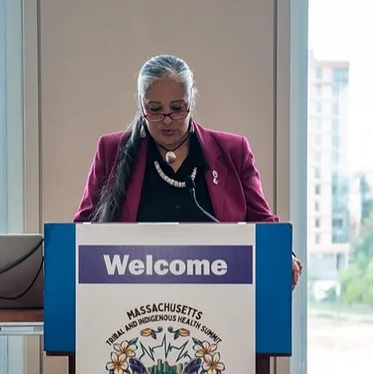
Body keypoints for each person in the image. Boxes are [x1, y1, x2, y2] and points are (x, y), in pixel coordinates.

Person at [73, 54, 302, 289]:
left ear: (191, 99)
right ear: (141, 104)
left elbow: (262, 220)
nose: (167, 120)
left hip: (217, 293)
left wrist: (283, 254)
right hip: (133, 294)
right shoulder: (112, 151)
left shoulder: (234, 151)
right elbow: (82, 226)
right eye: (155, 110)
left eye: (177, 108)